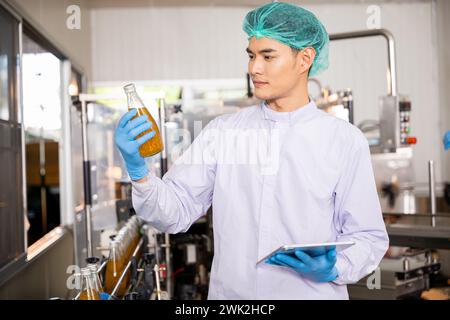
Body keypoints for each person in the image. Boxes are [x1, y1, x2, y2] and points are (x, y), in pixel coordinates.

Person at [114, 2, 389, 299]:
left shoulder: (344, 140)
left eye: (268, 56)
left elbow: (368, 237)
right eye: (251, 55)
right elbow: (174, 212)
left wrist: (337, 267)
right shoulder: (223, 133)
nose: (253, 68)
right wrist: (138, 169)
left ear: (305, 58)